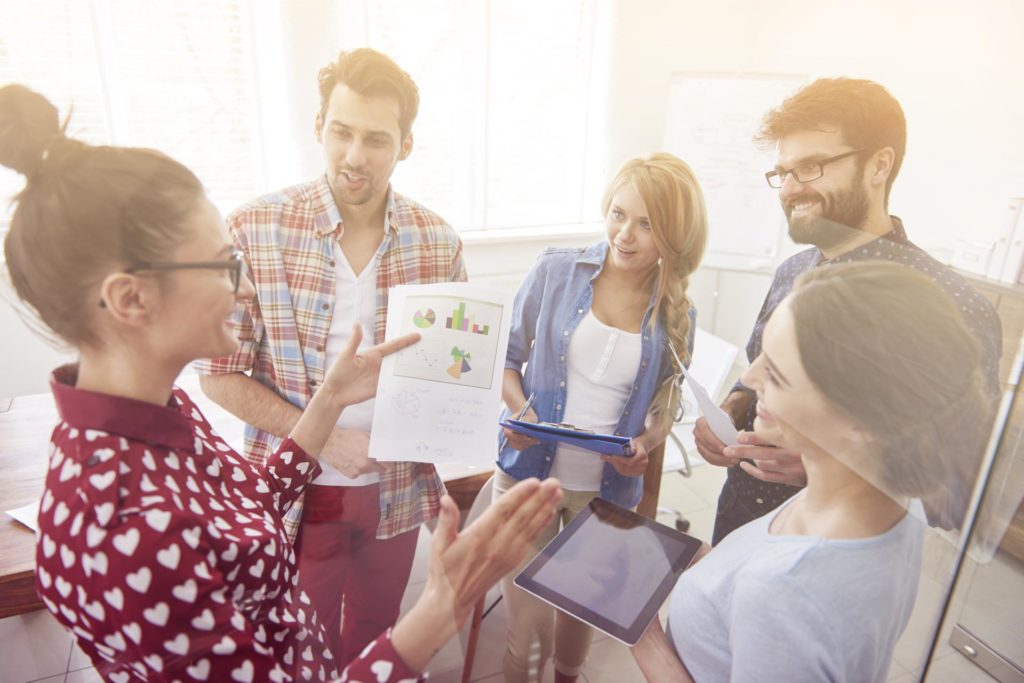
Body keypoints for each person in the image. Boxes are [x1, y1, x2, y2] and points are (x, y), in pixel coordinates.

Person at [1, 84, 562, 683]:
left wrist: (327, 401)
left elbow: (240, 517)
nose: (245, 290)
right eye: (224, 265)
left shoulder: (159, 420)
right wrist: (441, 608)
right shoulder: (121, 528)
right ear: (130, 297)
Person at [194, 48, 466, 665]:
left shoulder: (438, 242)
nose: (354, 155)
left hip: (393, 488)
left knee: (376, 632)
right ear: (319, 126)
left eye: (376, 139)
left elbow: (451, 371)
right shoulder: (253, 229)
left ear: (406, 145)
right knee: (299, 646)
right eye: (341, 132)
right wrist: (319, 438)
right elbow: (220, 376)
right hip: (298, 490)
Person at [633, 261, 995, 682]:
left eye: (778, 375)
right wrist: (697, 557)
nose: (748, 377)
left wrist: (642, 633)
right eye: (762, 356)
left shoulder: (785, 592)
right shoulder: (884, 496)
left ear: (860, 420)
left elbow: (787, 594)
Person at [695, 77, 1002, 543]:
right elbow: (760, 375)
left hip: (828, 561)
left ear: (879, 164)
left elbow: (962, 493)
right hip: (739, 528)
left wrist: (821, 467)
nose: (790, 189)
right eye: (783, 172)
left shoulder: (950, 306)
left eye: (812, 167)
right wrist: (732, 407)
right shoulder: (792, 271)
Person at [495, 153, 708, 683]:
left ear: (674, 237)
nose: (626, 234)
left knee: (576, 631)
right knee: (525, 636)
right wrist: (521, 410)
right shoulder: (556, 270)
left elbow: (666, 403)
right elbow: (506, 358)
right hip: (529, 474)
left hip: (608, 494)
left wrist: (649, 442)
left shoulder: (678, 309)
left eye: (647, 224)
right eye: (618, 214)